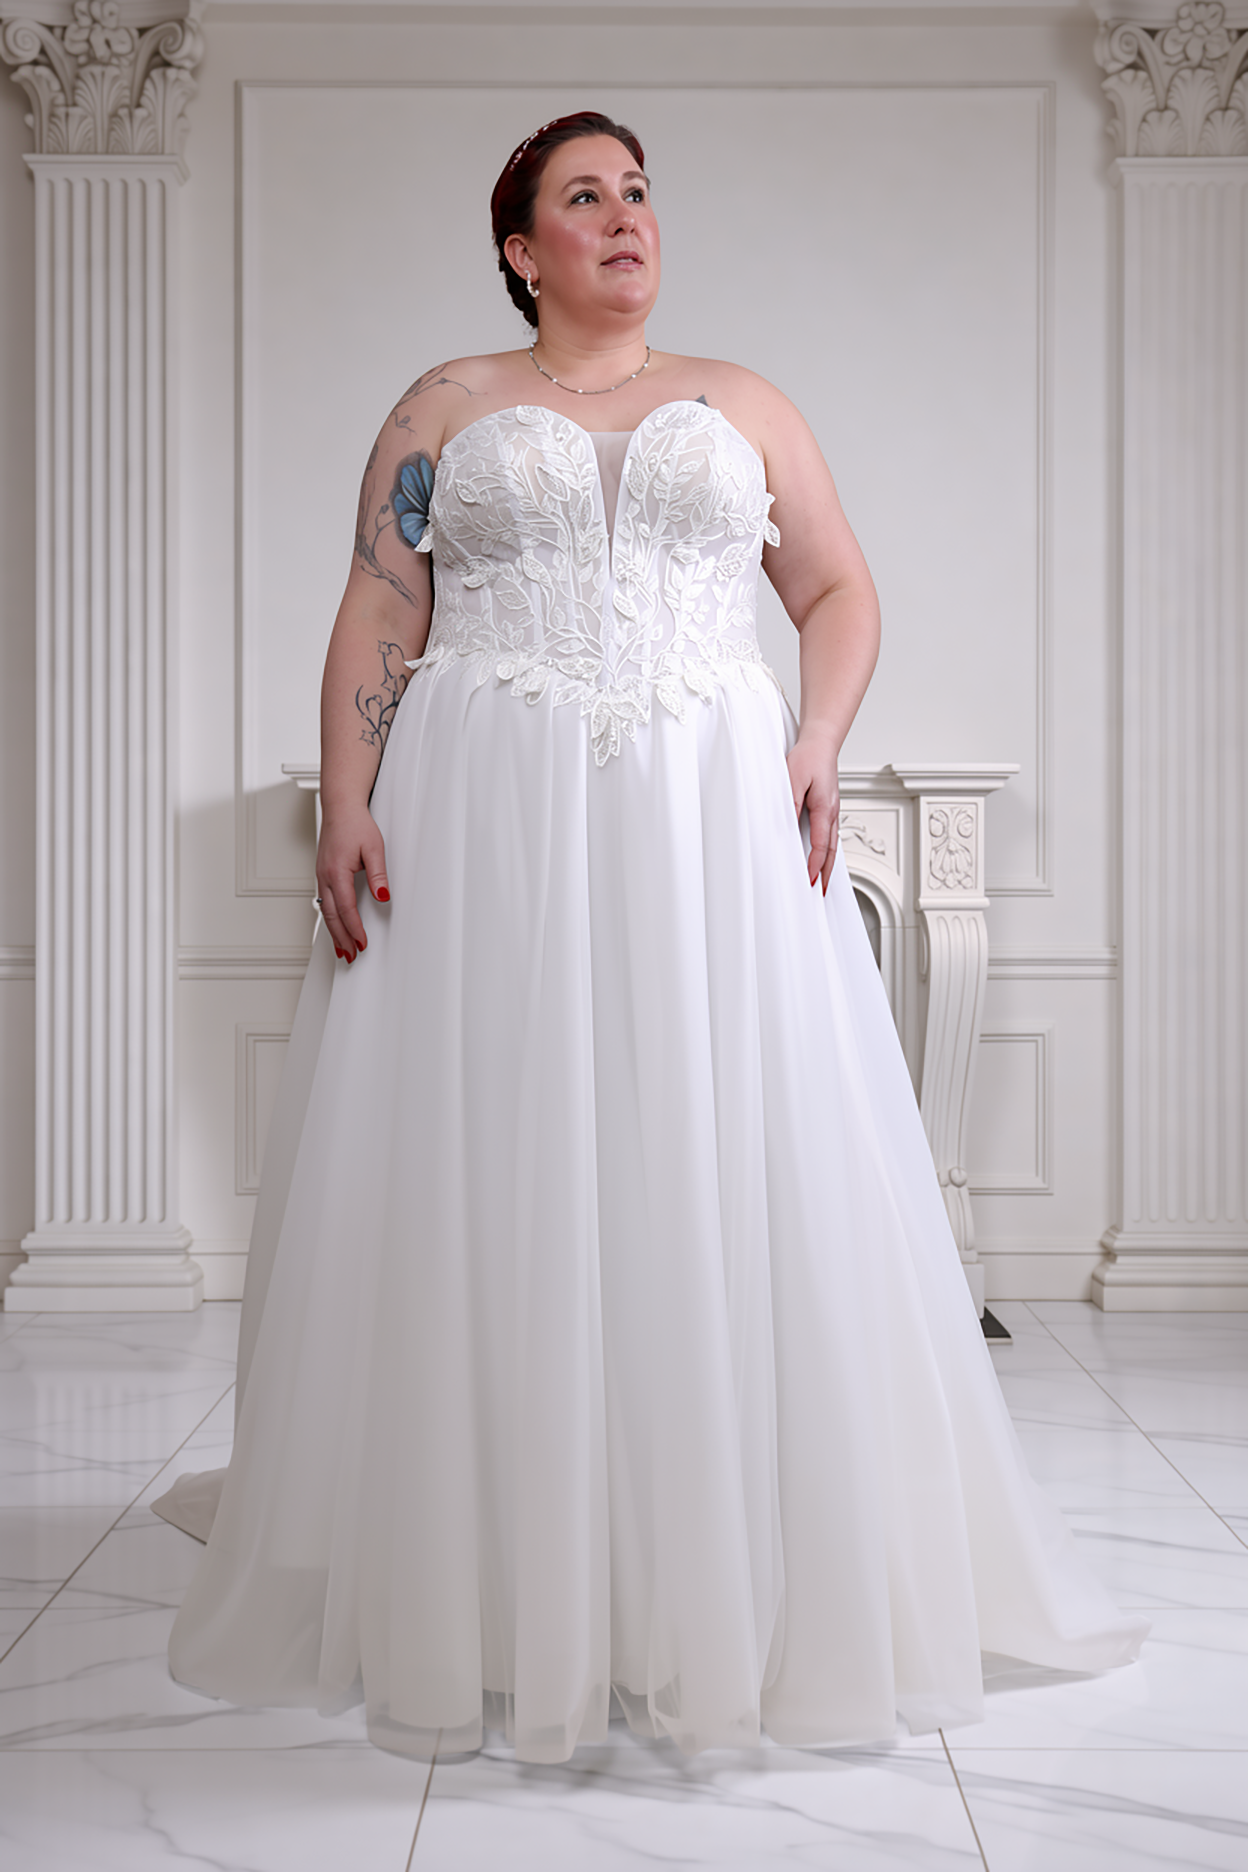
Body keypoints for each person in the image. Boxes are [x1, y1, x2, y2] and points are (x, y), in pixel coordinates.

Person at [162, 111, 1146, 1764]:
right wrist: (347, 800)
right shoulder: (444, 404)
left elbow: (838, 590)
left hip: (708, 814)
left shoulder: (743, 401)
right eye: (584, 196)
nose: (626, 217)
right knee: (502, 1155)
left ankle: (722, 1563)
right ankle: (490, 1568)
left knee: (717, 1147)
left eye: (638, 191)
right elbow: (381, 605)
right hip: (487, 811)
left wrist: (818, 737)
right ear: (520, 248)